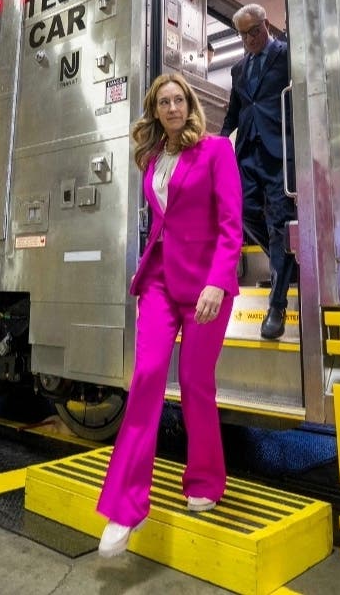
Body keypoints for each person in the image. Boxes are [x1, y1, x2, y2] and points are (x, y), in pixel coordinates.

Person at [97, 73, 243, 558]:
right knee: (147, 377)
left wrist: (219, 282)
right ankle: (125, 507)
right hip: (160, 281)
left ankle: (204, 478)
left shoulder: (218, 150)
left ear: (190, 105)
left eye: (180, 99)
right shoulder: (153, 158)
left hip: (205, 287)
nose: (173, 107)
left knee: (196, 383)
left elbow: (230, 224)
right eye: (164, 101)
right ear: (155, 110)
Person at [219, 3, 296, 341]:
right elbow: (234, 113)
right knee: (243, 212)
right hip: (248, 151)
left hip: (280, 149)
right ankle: (287, 259)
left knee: (279, 223)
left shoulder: (287, 55)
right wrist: (217, 147)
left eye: (254, 31)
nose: (249, 39)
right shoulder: (238, 70)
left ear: (266, 25)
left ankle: (277, 306)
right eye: (243, 34)